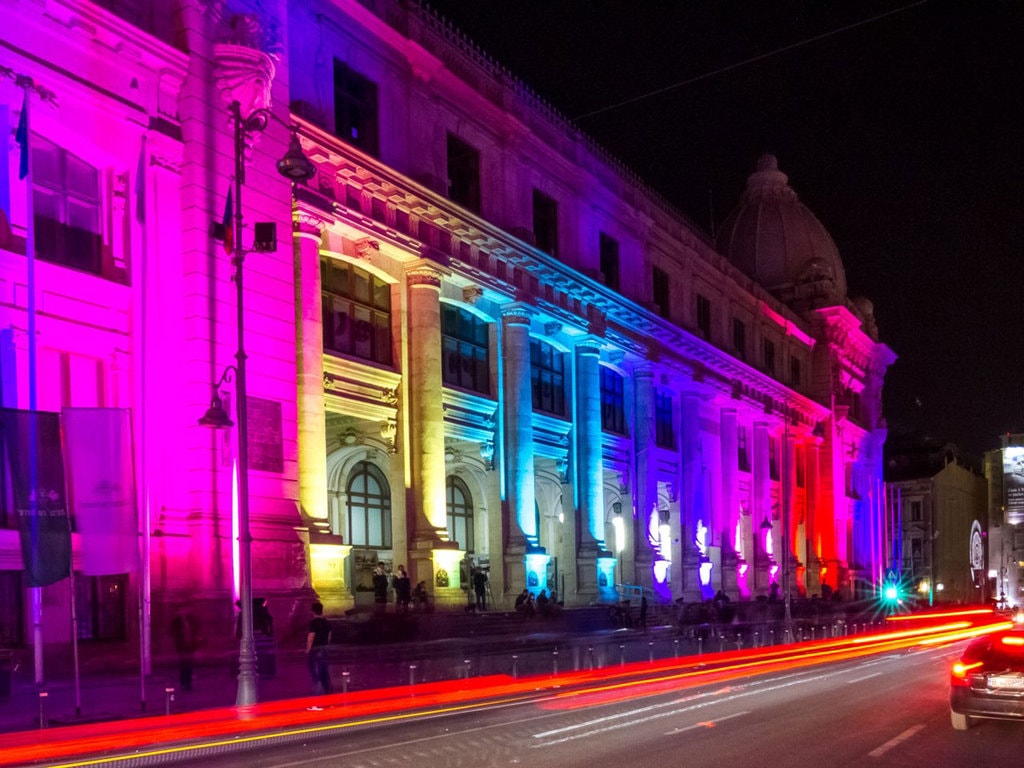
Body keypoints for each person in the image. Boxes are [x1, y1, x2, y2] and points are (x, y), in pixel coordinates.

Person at [170, 605, 201, 691]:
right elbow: (172, 632)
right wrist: (180, 633)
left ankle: (188, 682)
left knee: (189, 665)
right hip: (182, 646)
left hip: (190, 645)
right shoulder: (176, 621)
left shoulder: (190, 619)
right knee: (183, 665)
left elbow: (196, 629)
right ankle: (184, 683)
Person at [306, 601, 332, 697]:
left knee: (315, 671)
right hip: (324, 649)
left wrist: (308, 650)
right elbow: (329, 636)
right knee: (324, 670)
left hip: (315, 649)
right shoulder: (327, 622)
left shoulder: (313, 623)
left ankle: (318, 692)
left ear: (313, 611)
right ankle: (327, 690)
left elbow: (311, 637)